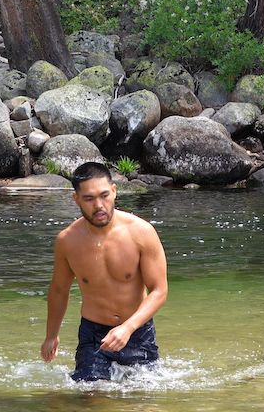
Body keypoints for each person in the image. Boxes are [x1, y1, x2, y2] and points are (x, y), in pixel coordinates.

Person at [40, 161, 168, 381]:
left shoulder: (141, 232)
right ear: (76, 200)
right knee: (94, 398)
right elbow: (59, 290)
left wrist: (128, 328)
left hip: (138, 332)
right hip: (94, 335)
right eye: (89, 199)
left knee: (141, 401)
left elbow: (159, 290)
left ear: (115, 192)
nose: (99, 205)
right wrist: (51, 336)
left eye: (104, 195)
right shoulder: (67, 241)